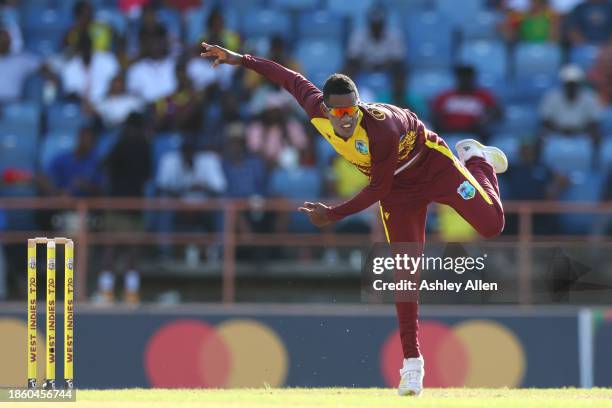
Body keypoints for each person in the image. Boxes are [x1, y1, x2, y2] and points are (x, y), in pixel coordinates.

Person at [201, 42, 508, 396]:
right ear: (326, 110)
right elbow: (288, 78)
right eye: (338, 113)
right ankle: (412, 366)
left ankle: (475, 158)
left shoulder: (379, 128)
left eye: (350, 111)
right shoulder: (317, 109)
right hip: (399, 192)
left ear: (358, 107)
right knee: (405, 274)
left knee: (492, 225)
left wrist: (332, 214)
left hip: (433, 166)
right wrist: (239, 59)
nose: (345, 119)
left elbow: (377, 188)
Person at [432, 65, 501, 143]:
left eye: (468, 77)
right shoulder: (445, 96)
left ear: (472, 78)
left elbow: (497, 112)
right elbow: (435, 115)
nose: (465, 80)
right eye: (462, 77)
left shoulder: (483, 96)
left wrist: (486, 119)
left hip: (475, 135)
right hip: (448, 134)